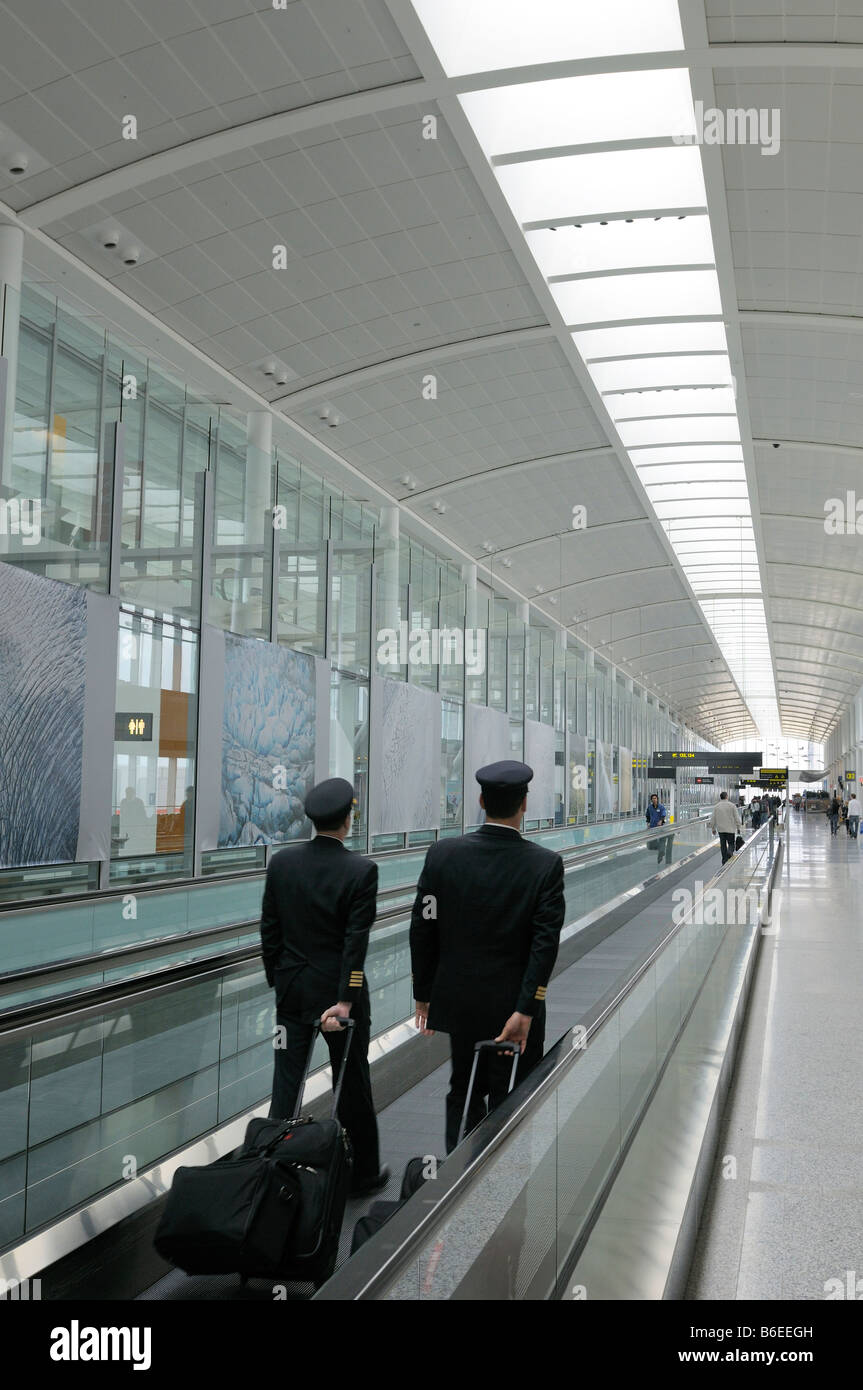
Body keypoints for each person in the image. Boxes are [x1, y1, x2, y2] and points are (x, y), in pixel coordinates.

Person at [410, 760, 565, 1154]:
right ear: (524, 805)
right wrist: (526, 1009)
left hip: (460, 1003)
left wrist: (424, 994)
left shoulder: (442, 855)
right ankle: (505, 1190)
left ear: (480, 800)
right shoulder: (544, 865)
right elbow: (543, 944)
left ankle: (452, 1184)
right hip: (514, 1007)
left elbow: (423, 925)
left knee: (462, 1089)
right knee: (514, 1097)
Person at [260, 777, 388, 1196]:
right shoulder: (361, 871)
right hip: (339, 1000)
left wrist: (279, 981)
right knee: (351, 1086)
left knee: (286, 1089)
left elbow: (270, 930)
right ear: (349, 820)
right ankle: (362, 1174)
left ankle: (272, 1179)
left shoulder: (282, 864)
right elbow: (355, 943)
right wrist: (347, 1000)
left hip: (293, 994)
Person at [709, 791, 742, 864]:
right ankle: (729, 852)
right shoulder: (732, 805)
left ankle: (724, 860)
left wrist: (713, 828)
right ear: (726, 796)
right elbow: (737, 817)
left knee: (723, 845)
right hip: (730, 829)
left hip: (721, 829)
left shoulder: (716, 806)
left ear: (720, 797)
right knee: (731, 843)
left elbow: (713, 818)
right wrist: (738, 827)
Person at [645, 792, 667, 862]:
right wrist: (648, 823)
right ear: (651, 800)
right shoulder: (650, 807)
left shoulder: (661, 807)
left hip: (659, 826)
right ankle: (659, 850)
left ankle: (661, 852)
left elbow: (663, 814)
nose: (654, 799)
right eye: (653, 798)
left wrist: (661, 820)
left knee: (661, 839)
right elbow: (647, 815)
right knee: (653, 840)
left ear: (657, 799)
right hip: (652, 826)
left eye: (655, 798)